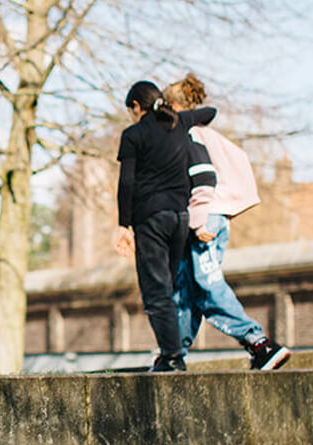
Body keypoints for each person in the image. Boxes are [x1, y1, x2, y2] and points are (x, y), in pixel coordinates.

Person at [164, 74, 291, 370]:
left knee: (206, 283)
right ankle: (173, 356)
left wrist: (201, 219)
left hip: (203, 215)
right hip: (208, 214)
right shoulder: (209, 134)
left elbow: (203, 178)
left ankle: (259, 342)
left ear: (170, 106)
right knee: (187, 286)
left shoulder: (190, 134)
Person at [114, 81, 217, 373]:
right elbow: (210, 112)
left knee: (155, 290)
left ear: (136, 106)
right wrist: (175, 113)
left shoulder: (133, 134)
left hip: (151, 218)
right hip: (180, 218)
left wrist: (124, 225)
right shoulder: (179, 122)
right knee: (169, 286)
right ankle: (170, 353)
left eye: (131, 111)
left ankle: (172, 357)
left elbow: (127, 183)